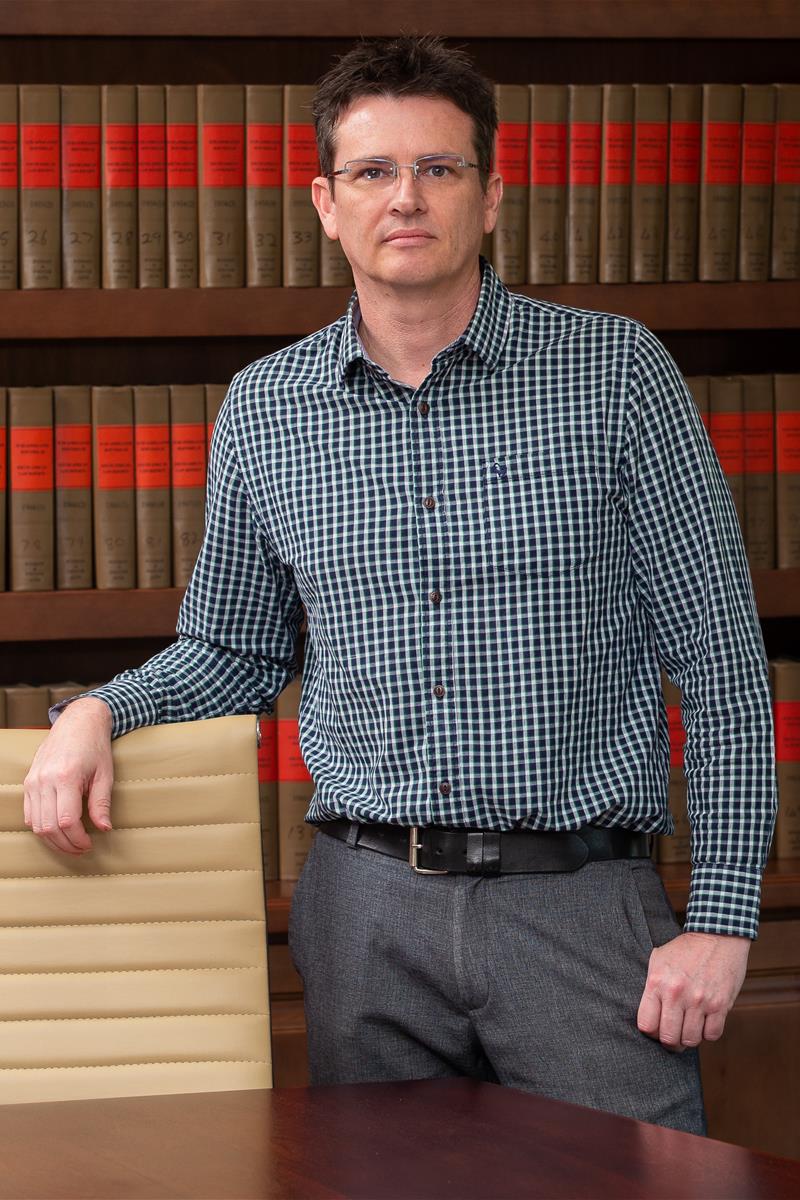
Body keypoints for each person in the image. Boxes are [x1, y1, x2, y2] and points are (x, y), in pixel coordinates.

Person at [24, 36, 776, 1135]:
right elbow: (232, 651)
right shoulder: (266, 408)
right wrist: (97, 710)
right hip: (362, 915)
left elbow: (719, 660)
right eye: (373, 170)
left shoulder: (615, 373)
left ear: (490, 195)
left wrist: (721, 917)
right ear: (326, 204)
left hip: (580, 908)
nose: (406, 196)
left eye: (438, 167)